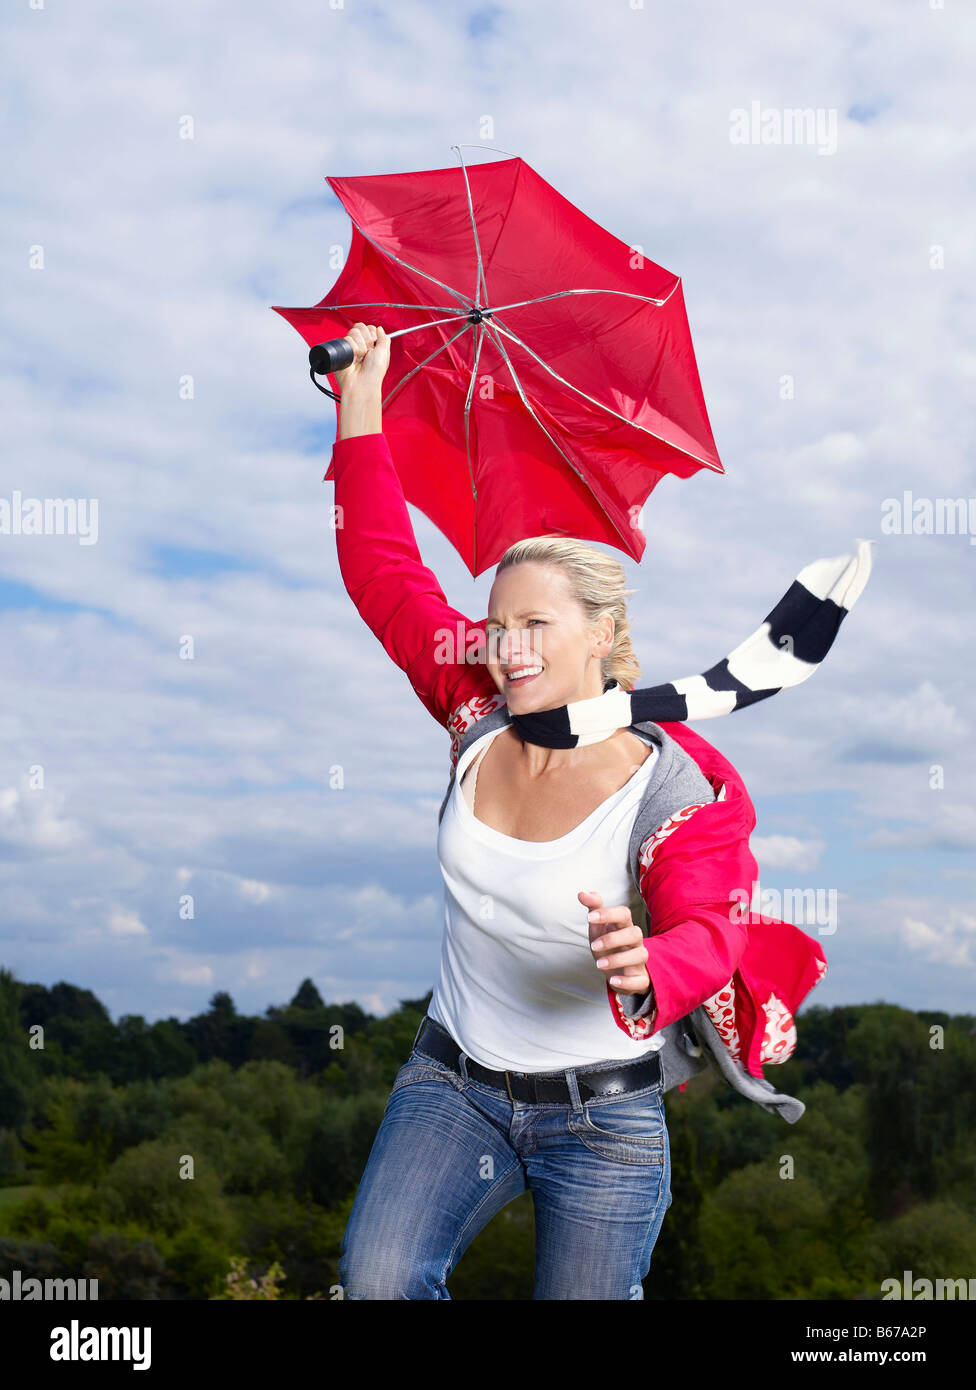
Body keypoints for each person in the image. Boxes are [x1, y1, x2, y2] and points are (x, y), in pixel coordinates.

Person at [328, 322, 757, 1300]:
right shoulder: (477, 705)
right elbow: (384, 570)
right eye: (497, 622)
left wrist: (652, 960)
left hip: (602, 1119)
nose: (508, 645)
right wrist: (360, 402)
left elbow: (713, 930)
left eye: (535, 625)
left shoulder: (675, 786)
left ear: (600, 634)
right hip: (454, 1084)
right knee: (379, 1282)